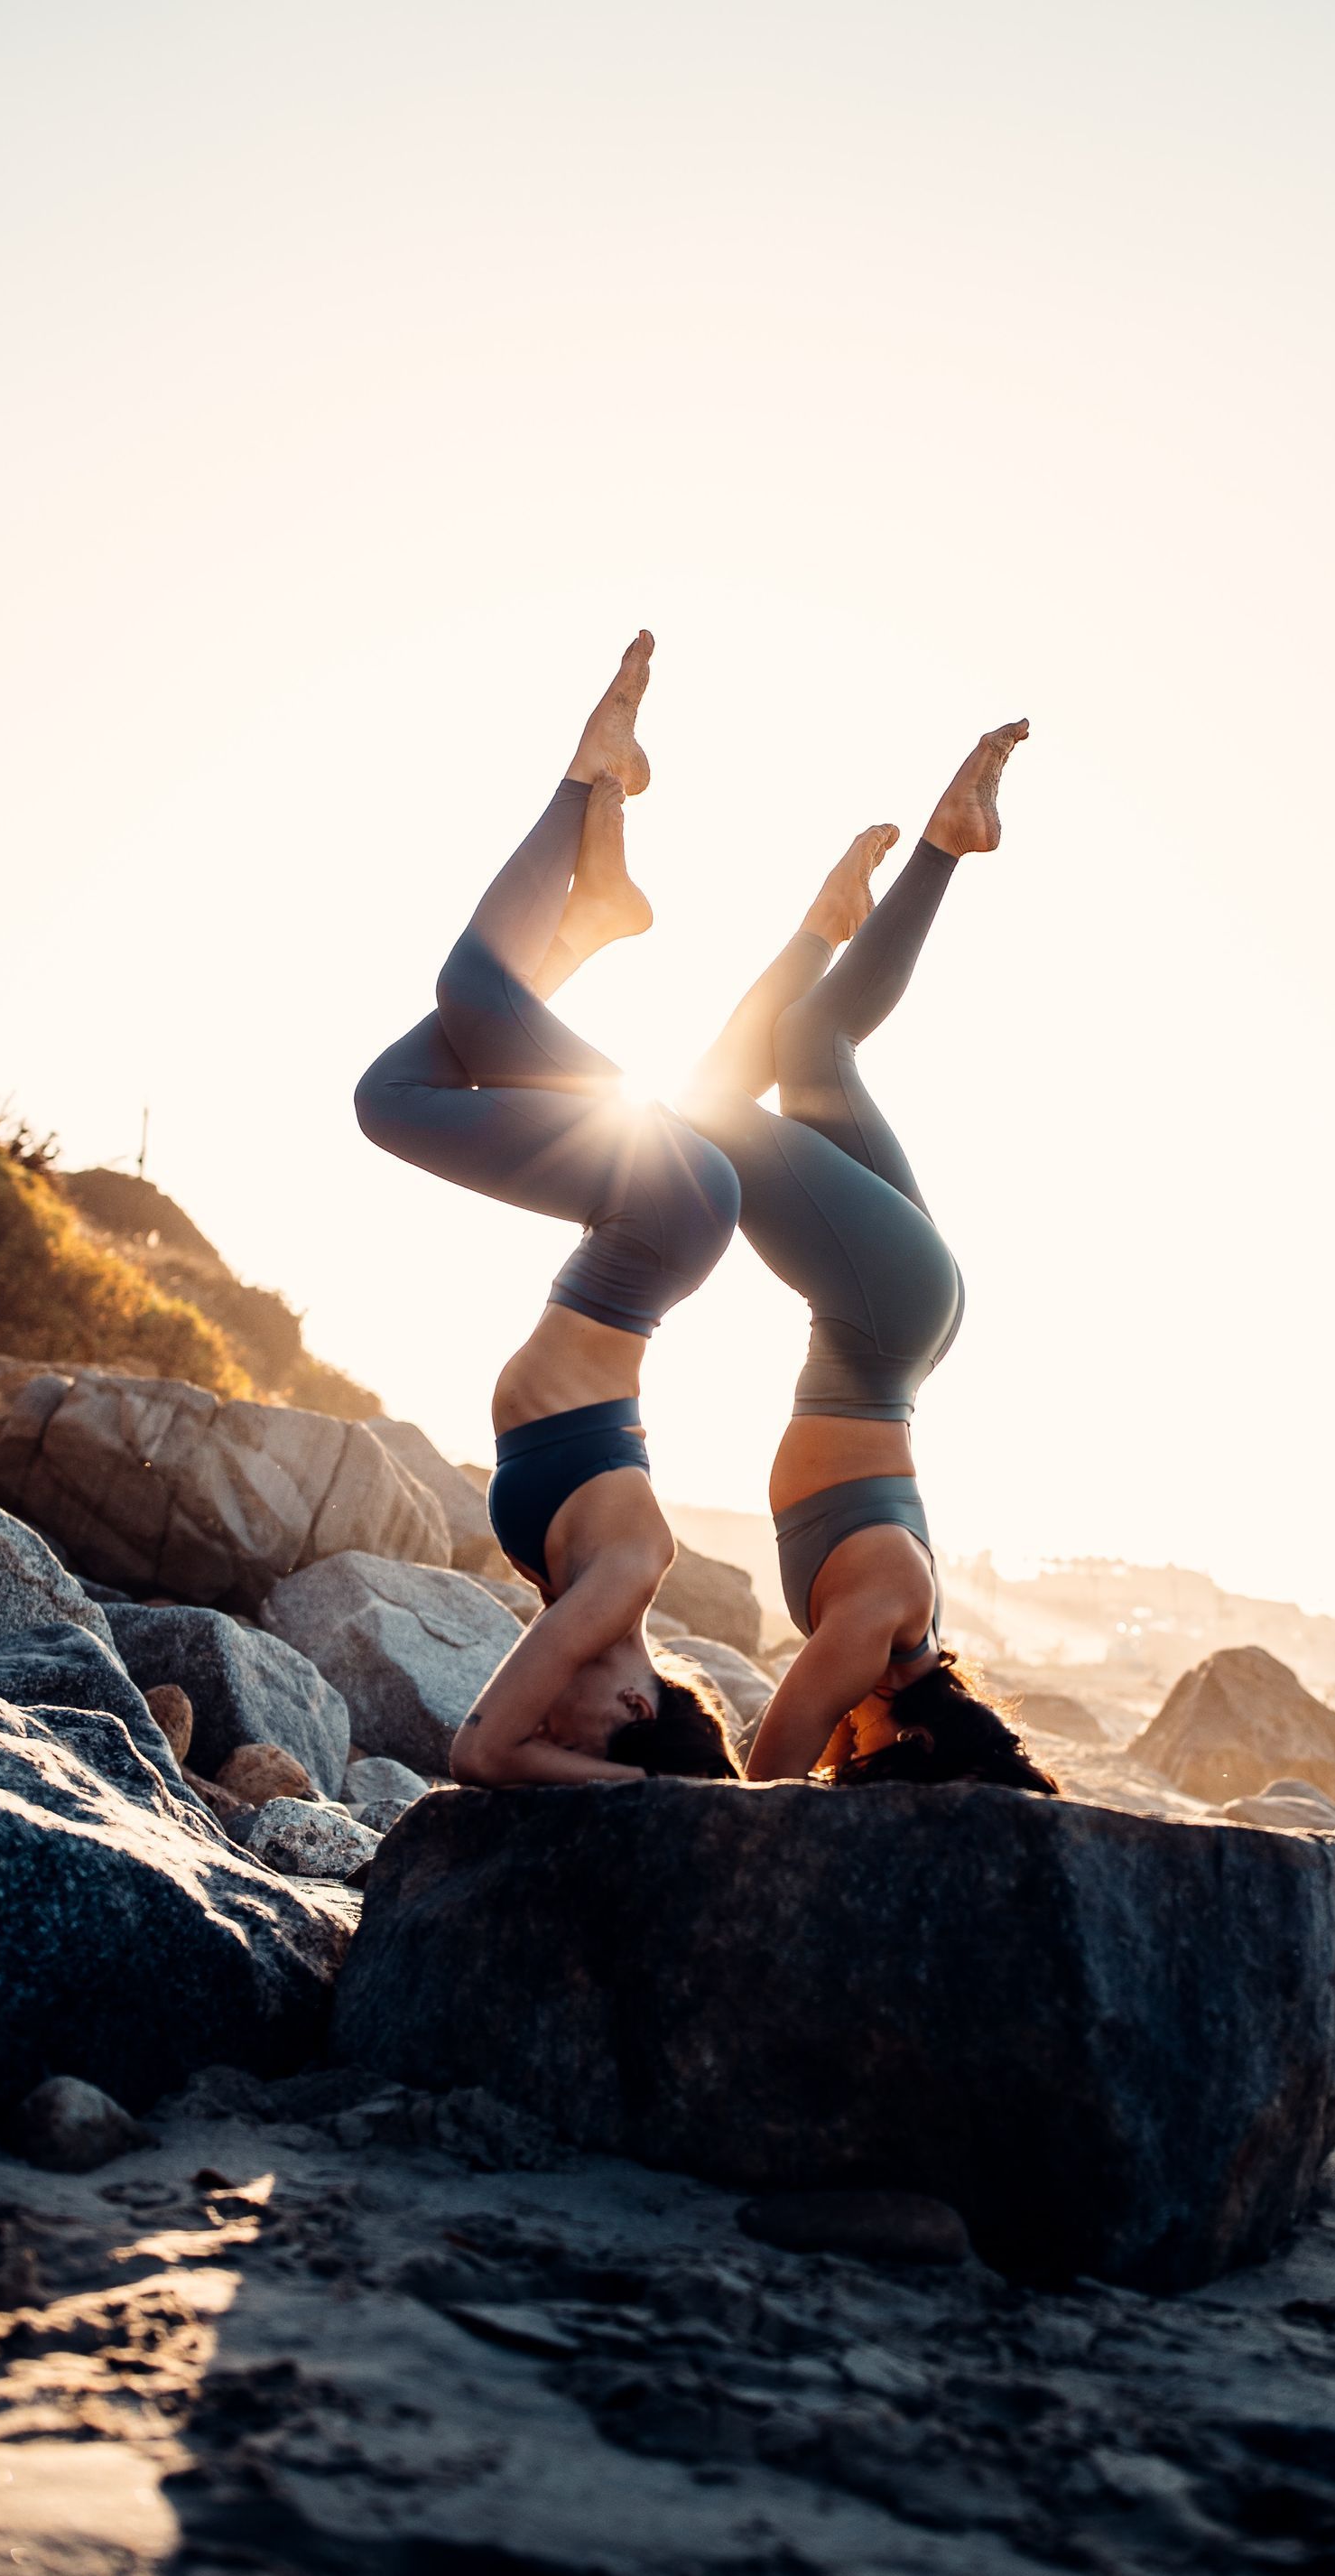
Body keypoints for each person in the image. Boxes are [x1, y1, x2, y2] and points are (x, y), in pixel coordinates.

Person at [355, 633, 740, 1786]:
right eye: (588, 1734)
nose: (552, 1727)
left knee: (394, 1095)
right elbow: (485, 1751)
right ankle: (589, 774)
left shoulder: (590, 1592)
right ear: (638, 1698)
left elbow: (513, 1741)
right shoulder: (621, 1585)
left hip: (638, 1228)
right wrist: (646, 1795)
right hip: (660, 1213)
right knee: (469, 994)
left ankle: (590, 919)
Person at [681, 720, 1055, 1792]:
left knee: (807, 1046)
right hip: (882, 1317)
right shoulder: (878, 1636)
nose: (856, 1751)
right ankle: (834, 917)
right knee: (700, 1113)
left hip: (903, 1325)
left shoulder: (904, 1639)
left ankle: (940, 846)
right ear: (921, 1745)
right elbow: (762, 1780)